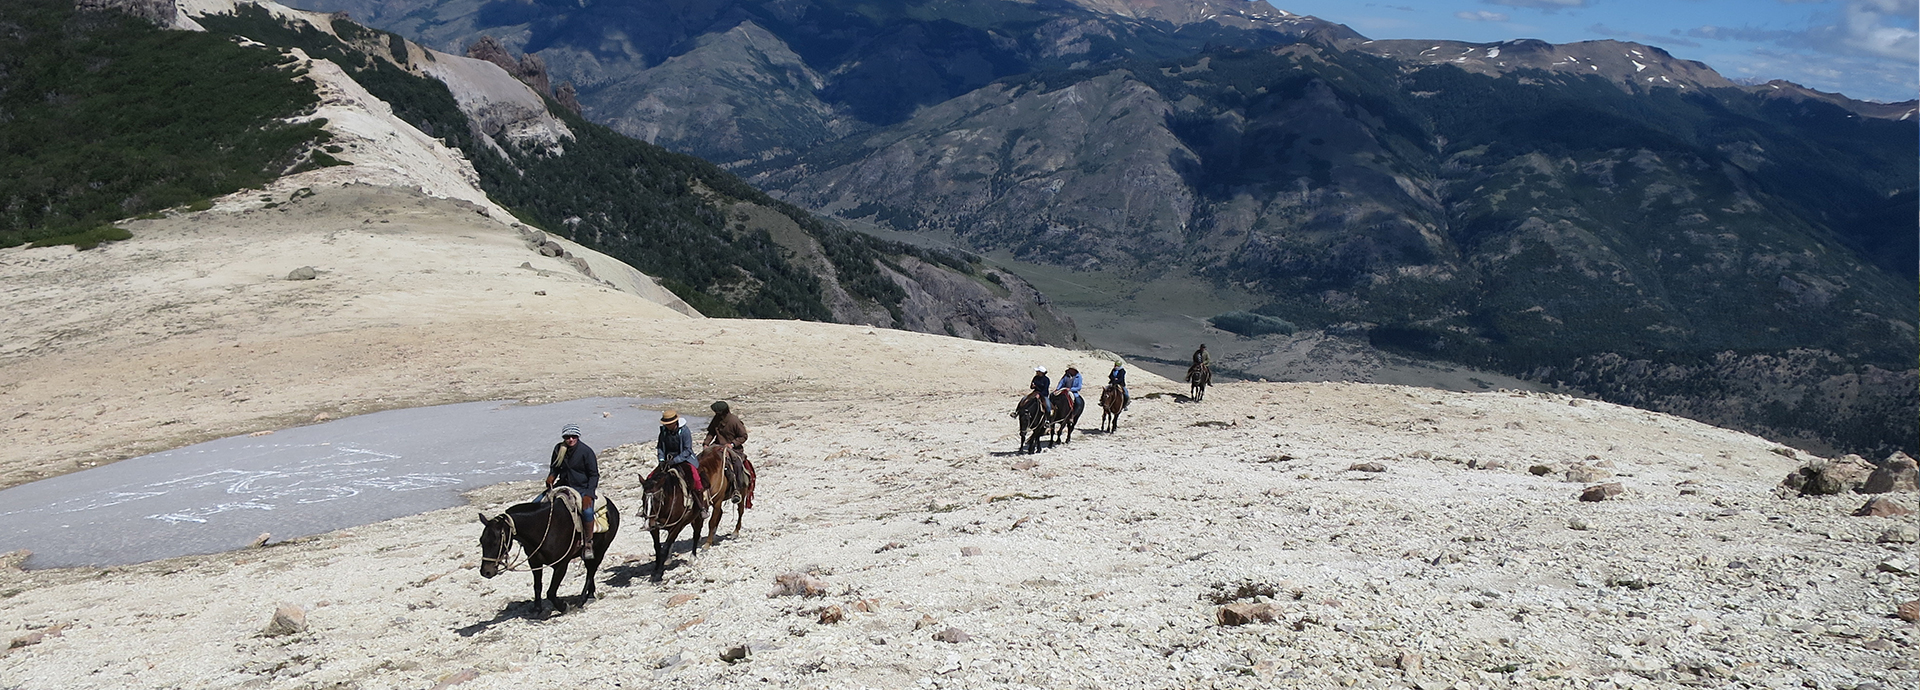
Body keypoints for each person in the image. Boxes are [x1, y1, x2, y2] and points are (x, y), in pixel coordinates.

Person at [545, 423, 600, 559]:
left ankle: (588, 543)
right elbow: (555, 467)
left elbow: (594, 475)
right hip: (563, 485)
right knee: (538, 503)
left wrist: (589, 494)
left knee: (587, 512)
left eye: (573, 437)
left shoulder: (586, 452)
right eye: (567, 437)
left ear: (578, 437)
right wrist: (551, 477)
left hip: (582, 487)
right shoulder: (559, 449)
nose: (570, 439)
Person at [650, 409, 706, 518]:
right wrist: (661, 460)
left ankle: (701, 506)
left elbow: (687, 450)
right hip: (667, 460)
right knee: (650, 478)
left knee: (695, 479)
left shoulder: (685, 431)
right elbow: (660, 447)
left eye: (669, 424)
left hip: (684, 459)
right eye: (666, 424)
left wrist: (675, 460)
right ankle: (648, 507)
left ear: (675, 422)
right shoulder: (663, 432)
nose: (667, 426)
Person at [704, 400, 755, 508]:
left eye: (717, 412)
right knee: (702, 459)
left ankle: (737, 489)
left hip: (733, 449)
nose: (716, 414)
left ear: (723, 412)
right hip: (717, 446)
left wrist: (732, 444)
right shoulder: (716, 419)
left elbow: (743, 436)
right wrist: (706, 443)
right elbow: (711, 432)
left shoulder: (734, 421)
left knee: (737, 464)